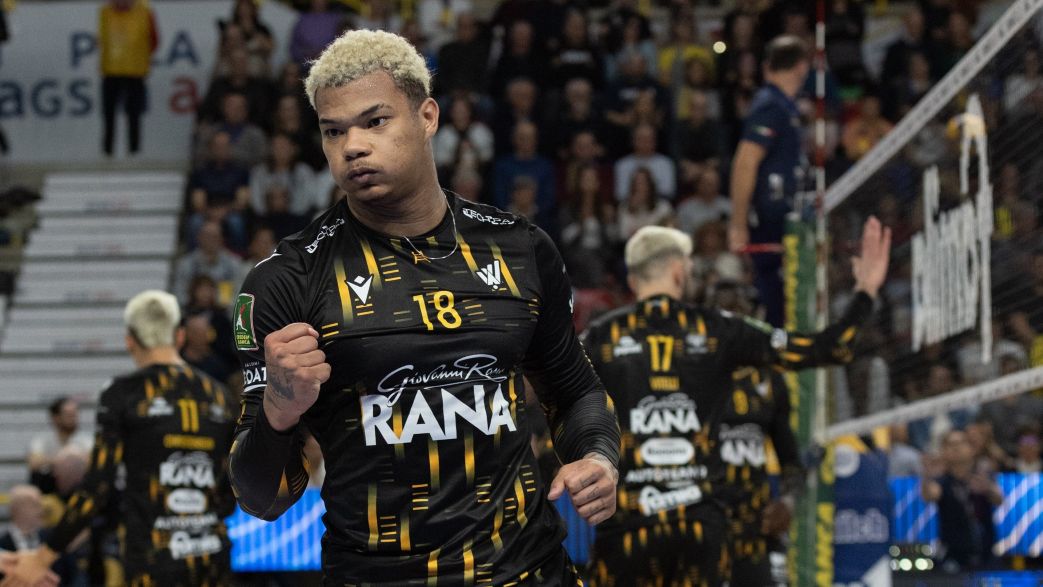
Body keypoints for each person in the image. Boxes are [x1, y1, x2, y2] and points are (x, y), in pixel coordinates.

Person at [228, 29, 620, 586]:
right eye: (333, 131)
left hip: (531, 571)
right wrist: (278, 410)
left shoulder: (521, 248)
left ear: (428, 116)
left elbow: (575, 389)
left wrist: (598, 457)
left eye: (374, 121)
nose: (352, 146)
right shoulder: (284, 281)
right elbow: (261, 500)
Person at [581, 218, 890, 586]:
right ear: (679, 272)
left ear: (633, 281)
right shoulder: (718, 328)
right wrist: (865, 292)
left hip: (627, 528)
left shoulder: (599, 336)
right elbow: (829, 348)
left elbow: (549, 392)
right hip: (699, 529)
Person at [1, 291, 237, 587]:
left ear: (129, 341)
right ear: (179, 336)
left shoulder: (122, 393)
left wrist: (43, 556)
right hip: (212, 556)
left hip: (152, 560)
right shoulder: (219, 395)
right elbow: (234, 480)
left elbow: (97, 486)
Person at [728, 35, 811, 327]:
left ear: (767, 67)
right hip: (771, 221)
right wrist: (738, 224)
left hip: (785, 219)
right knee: (776, 303)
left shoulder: (784, 106)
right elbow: (745, 162)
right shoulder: (771, 105)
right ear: (801, 67)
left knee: (789, 304)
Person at [923, 429, 1003, 573]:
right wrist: (927, 475)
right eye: (950, 444)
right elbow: (930, 495)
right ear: (944, 451)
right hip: (953, 553)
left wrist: (988, 488)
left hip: (985, 550)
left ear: (971, 449)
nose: (956, 448)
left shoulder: (982, 474)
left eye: (961, 443)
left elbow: (999, 499)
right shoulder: (942, 479)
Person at [98, 0, 158, 157]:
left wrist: (138, 57)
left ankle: (134, 150)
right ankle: (108, 150)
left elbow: (154, 40)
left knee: (134, 113)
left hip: (135, 71)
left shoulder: (145, 12)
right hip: (111, 70)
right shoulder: (105, 12)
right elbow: (102, 39)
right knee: (109, 113)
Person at [27, 398, 93, 495]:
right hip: (49, 488)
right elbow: (33, 463)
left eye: (75, 414)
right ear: (56, 417)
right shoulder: (42, 441)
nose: (73, 418)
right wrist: (61, 460)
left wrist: (73, 461)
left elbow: (94, 462)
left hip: (78, 489)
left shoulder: (87, 441)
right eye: (68, 415)